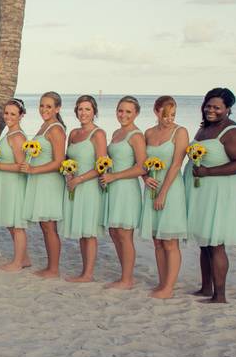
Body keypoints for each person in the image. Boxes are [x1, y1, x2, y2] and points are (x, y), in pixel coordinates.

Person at [184, 87, 236, 304]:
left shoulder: (231, 131)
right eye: (208, 106)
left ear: (228, 109)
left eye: (217, 107)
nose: (211, 110)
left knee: (216, 243)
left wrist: (208, 172)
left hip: (218, 190)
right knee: (204, 241)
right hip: (201, 190)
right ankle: (205, 288)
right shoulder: (205, 129)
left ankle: (219, 295)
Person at [139, 96, 189, 299]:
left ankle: (169, 287)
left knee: (169, 240)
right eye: (165, 114)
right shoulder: (148, 133)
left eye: (173, 115)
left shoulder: (180, 132)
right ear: (156, 111)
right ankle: (162, 283)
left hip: (171, 188)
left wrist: (163, 193)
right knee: (157, 240)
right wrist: (145, 177)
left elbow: (176, 164)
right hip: (152, 186)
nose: (169, 119)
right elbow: (141, 161)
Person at [99, 95, 147, 289]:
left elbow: (142, 167)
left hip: (126, 188)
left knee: (124, 234)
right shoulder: (117, 133)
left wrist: (115, 176)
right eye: (120, 110)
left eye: (128, 111)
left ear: (136, 113)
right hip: (112, 187)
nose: (123, 115)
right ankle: (124, 274)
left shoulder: (135, 135)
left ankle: (127, 279)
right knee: (114, 232)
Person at [60, 95, 107, 283]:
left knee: (89, 231)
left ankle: (88, 274)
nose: (83, 113)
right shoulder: (73, 133)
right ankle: (83, 271)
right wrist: (67, 174)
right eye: (80, 109)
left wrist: (78, 179)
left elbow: (101, 165)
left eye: (87, 109)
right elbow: (66, 159)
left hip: (89, 187)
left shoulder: (98, 134)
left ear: (94, 112)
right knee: (81, 231)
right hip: (73, 186)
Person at [20, 92, 66, 278]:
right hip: (39, 180)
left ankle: (54, 269)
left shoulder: (56, 129)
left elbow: (59, 162)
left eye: (48, 106)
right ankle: (50, 266)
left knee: (49, 226)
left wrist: (33, 170)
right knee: (44, 226)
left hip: (48, 181)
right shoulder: (44, 126)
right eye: (42, 106)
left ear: (57, 108)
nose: (44, 110)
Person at [0, 98, 30, 271]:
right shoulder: (10, 134)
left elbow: (21, 167)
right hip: (6, 183)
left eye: (13, 114)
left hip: (14, 184)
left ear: (21, 116)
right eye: (6, 113)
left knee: (17, 224)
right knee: (11, 223)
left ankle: (18, 262)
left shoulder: (18, 137)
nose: (9, 117)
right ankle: (24, 258)